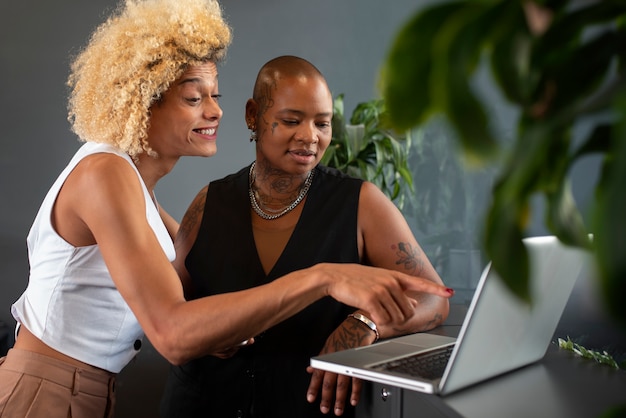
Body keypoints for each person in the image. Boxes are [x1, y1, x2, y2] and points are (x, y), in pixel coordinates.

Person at [0, 3, 455, 418]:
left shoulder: (139, 191)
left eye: (214, 95)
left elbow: (190, 293)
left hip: (86, 392)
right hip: (46, 390)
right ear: (142, 99)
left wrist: (363, 321)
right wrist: (324, 276)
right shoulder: (109, 175)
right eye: (195, 98)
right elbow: (174, 332)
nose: (214, 111)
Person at [159, 55, 451, 418]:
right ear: (253, 115)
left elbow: (431, 298)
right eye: (291, 121)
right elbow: (170, 306)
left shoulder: (360, 203)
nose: (310, 137)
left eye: (323, 123)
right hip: (203, 405)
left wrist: (364, 323)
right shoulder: (209, 201)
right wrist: (210, 332)